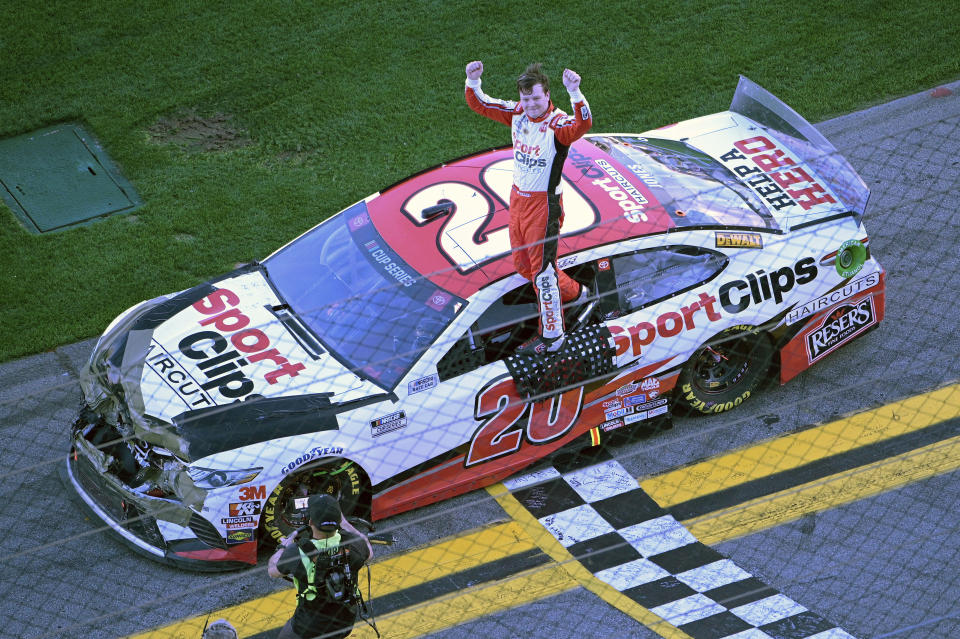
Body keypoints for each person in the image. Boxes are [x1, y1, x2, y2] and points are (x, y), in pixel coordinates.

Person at [465, 60, 593, 353]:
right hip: (517, 199)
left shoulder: (558, 123)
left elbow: (582, 124)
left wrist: (575, 92)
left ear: (547, 95)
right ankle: (577, 294)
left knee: (542, 273)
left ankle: (553, 335)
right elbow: (481, 104)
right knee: (524, 266)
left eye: (536, 98)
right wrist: (473, 81)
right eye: (526, 98)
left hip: (543, 205)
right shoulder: (518, 113)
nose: (531, 104)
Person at [268, 495, 372, 639]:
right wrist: (345, 523)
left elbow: (273, 571)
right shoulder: (354, 544)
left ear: (310, 521)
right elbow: (369, 550)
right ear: (338, 521)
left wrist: (282, 547)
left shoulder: (298, 551)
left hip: (308, 627)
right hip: (345, 621)